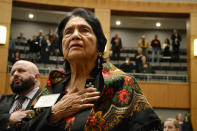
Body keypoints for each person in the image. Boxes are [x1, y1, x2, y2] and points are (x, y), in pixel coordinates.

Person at [20, 8, 162, 131]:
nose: (75, 35)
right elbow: (23, 127)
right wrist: (54, 113)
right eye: (68, 32)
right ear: (62, 46)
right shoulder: (53, 86)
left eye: (84, 30)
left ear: (99, 45)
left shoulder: (123, 84)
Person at [0, 60, 43, 131]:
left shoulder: (47, 99)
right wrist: (9, 118)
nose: (15, 74)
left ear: (36, 77)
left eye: (21, 71)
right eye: (12, 72)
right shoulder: (4, 99)